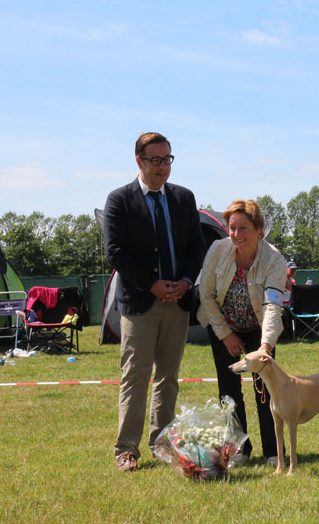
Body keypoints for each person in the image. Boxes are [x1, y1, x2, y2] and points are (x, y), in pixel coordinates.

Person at [103, 132, 206, 472]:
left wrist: (186, 281)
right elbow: (115, 252)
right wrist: (151, 285)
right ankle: (126, 450)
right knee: (135, 376)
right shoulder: (119, 200)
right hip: (139, 302)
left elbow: (197, 246)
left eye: (168, 159)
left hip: (178, 300)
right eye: (155, 160)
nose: (163, 167)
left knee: (168, 377)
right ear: (139, 161)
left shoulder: (184, 198)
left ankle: (162, 445)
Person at [197, 199, 287, 466]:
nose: (236, 234)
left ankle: (273, 451)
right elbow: (206, 295)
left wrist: (266, 346)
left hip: (259, 330)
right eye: (232, 228)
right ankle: (239, 449)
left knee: (265, 390)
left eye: (243, 228)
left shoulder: (274, 259)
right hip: (222, 327)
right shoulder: (217, 250)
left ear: (258, 228)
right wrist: (225, 334)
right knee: (228, 392)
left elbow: (272, 305)